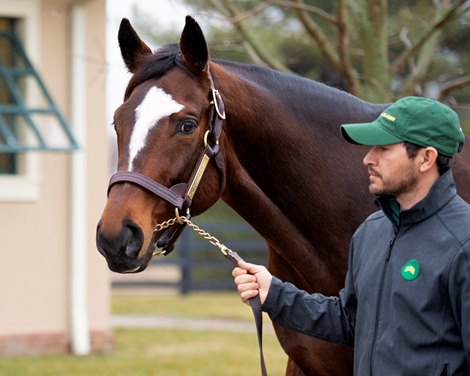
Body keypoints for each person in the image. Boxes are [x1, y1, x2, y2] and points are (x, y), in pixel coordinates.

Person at [233, 96, 470, 375]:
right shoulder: (371, 232)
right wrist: (273, 293)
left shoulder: (463, 242)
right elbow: (351, 320)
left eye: (383, 148)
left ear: (426, 158)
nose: (368, 158)